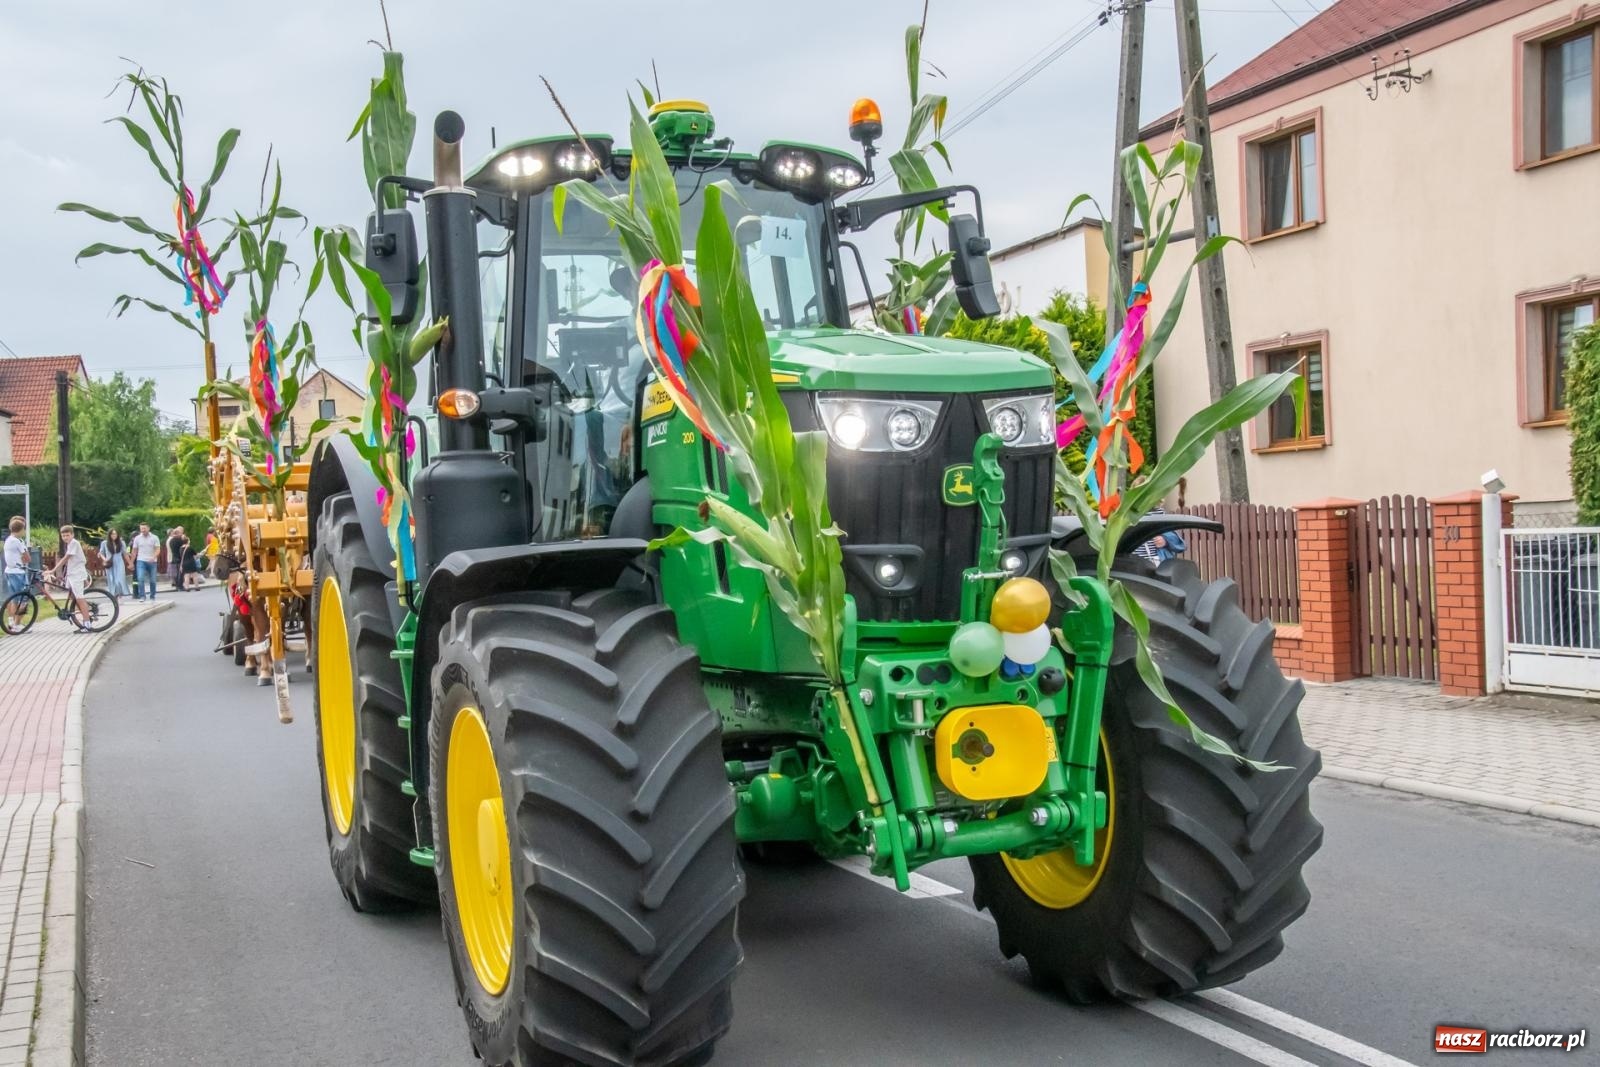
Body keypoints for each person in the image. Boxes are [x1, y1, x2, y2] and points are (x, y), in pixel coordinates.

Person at [51, 525, 89, 629]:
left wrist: (53, 570)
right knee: (72, 595)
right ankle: (79, 611)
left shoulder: (74, 543)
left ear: (72, 534)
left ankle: (87, 623)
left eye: (67, 535)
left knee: (80, 598)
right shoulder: (69, 544)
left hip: (76, 574)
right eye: (63, 536)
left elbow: (66, 558)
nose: (65, 538)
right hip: (71, 573)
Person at [4, 517, 30, 625]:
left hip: (9, 571)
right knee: (24, 599)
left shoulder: (8, 539)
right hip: (18, 572)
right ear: (21, 529)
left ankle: (12, 623)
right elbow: (27, 558)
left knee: (14, 598)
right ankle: (17, 624)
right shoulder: (18, 541)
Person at [130, 522, 160, 601]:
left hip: (152, 561)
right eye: (141, 529)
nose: (143, 530)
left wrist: (154, 557)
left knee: (153, 579)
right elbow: (134, 551)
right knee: (140, 577)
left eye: (144, 528)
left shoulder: (154, 537)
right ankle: (142, 596)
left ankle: (152, 596)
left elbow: (157, 549)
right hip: (141, 560)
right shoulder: (137, 538)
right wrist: (131, 562)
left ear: (148, 528)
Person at [99, 528, 131, 598]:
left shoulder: (121, 543)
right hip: (110, 563)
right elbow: (101, 553)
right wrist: (105, 559)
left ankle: (120, 594)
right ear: (109, 535)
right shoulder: (104, 543)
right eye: (112, 534)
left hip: (119, 562)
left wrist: (130, 563)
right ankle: (114, 594)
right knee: (111, 579)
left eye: (115, 534)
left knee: (119, 579)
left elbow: (125, 554)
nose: (114, 535)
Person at [167, 527, 185, 591]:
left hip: (174, 558)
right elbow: (183, 548)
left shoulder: (171, 541)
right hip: (180, 558)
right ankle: (180, 586)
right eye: (180, 533)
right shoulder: (179, 540)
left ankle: (177, 585)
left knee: (176, 573)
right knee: (181, 573)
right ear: (177, 533)